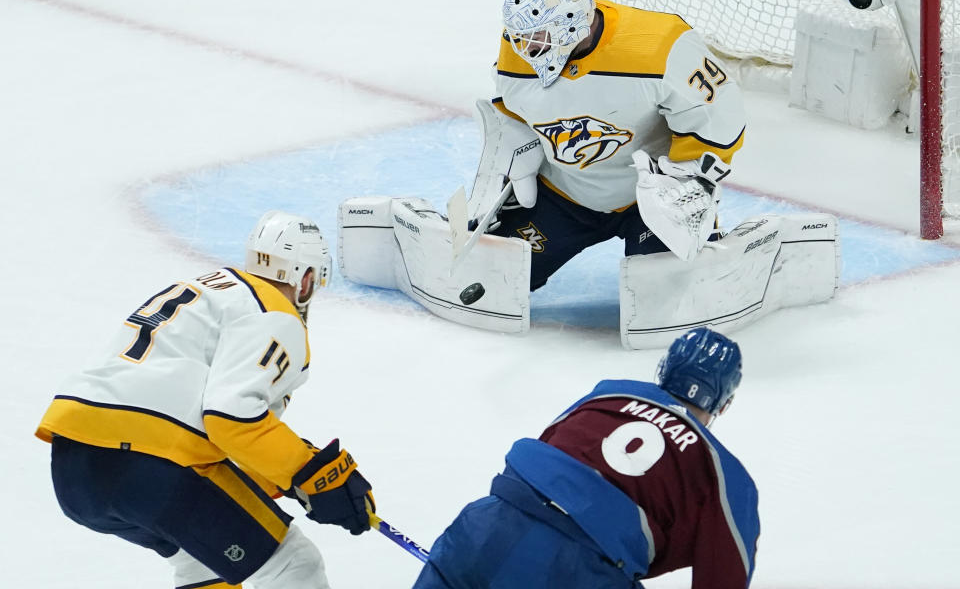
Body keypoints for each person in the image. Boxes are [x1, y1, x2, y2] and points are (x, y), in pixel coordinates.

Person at [35, 211, 374, 589]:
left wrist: (304, 476)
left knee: (203, 563)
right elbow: (231, 417)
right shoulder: (274, 313)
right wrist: (310, 474)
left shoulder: (210, 292)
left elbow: (225, 434)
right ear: (306, 278)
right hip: (150, 463)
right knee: (293, 565)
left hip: (74, 468)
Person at [413, 326, 759, 588]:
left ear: (663, 370)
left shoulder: (606, 394)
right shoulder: (723, 472)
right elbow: (723, 576)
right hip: (585, 569)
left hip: (485, 529)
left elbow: (547, 451)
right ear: (724, 404)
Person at [477, 0, 747, 288]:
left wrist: (686, 179)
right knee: (493, 278)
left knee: (665, 294)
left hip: (651, 202)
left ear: (570, 26)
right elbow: (512, 109)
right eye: (520, 37)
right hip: (565, 195)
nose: (525, 48)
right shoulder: (521, 46)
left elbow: (717, 113)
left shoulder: (659, 45)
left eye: (537, 37)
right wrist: (514, 163)